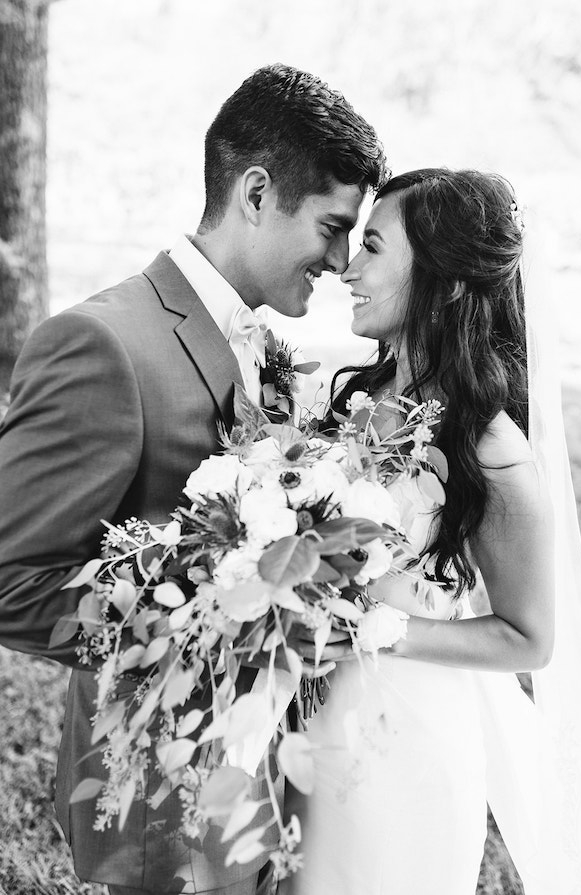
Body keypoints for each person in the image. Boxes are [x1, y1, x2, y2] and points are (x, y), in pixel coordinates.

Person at [0, 64, 387, 895]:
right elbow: (8, 579)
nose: (340, 258)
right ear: (255, 193)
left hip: (265, 780)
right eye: (330, 225)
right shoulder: (104, 345)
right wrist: (211, 623)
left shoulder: (267, 344)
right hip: (157, 803)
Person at [286, 168, 581, 895]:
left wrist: (378, 629)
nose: (346, 269)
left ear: (447, 282)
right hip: (315, 719)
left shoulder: (492, 452)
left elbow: (530, 638)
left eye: (371, 248)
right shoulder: (358, 398)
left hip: (407, 742)